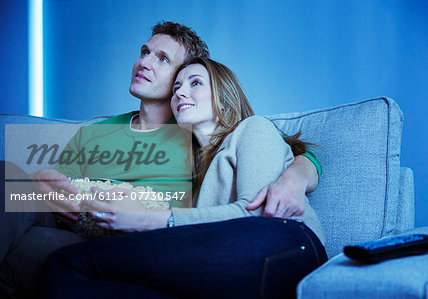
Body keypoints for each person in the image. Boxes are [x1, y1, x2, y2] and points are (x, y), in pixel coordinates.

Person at [0, 21, 321, 298]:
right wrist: (35, 184)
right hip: (89, 229)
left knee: (47, 257)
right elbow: (50, 197)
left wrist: (297, 176)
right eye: (144, 52)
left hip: (149, 243)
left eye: (163, 59)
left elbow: (292, 156)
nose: (144, 62)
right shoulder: (102, 134)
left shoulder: (211, 135)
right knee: (8, 179)